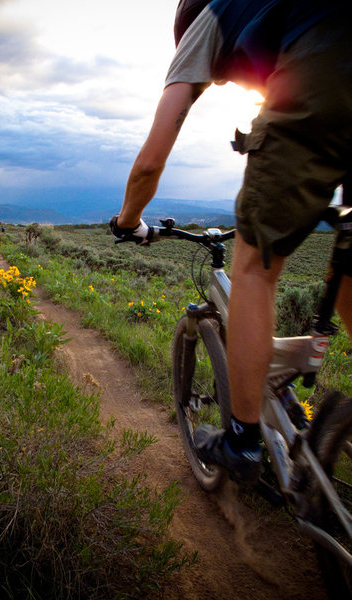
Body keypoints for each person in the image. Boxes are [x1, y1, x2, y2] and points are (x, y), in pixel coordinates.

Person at [110, 0, 352, 483]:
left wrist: (128, 221)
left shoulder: (207, 20)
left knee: (253, 271)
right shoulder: (270, 13)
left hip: (323, 75)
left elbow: (150, 161)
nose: (224, 81)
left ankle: (242, 441)